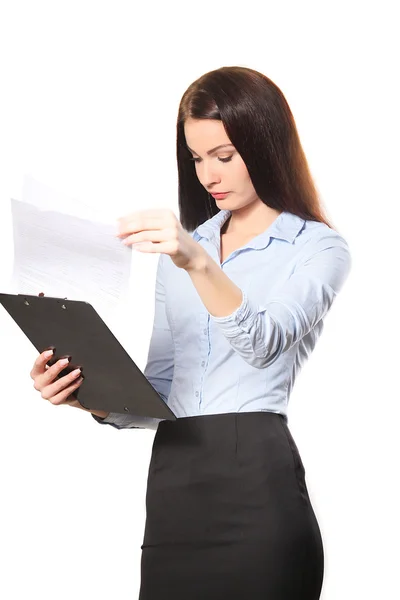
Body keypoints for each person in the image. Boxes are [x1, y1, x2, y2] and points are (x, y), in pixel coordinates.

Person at [30, 66, 352, 599]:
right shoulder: (186, 247)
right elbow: (162, 392)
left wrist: (196, 262)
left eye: (224, 156)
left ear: (266, 145)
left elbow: (265, 342)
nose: (208, 175)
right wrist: (86, 396)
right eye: (197, 158)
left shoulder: (316, 248)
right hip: (175, 486)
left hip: (257, 482)